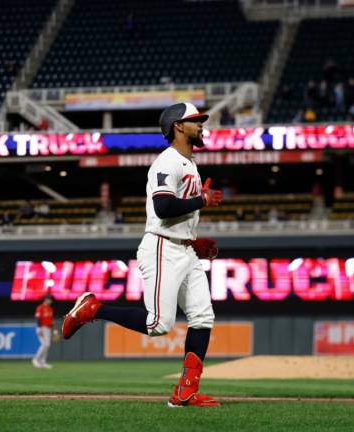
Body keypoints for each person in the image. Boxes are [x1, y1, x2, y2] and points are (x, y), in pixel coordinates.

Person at [61, 102, 223, 408]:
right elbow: (163, 207)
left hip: (181, 248)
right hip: (163, 247)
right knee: (158, 325)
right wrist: (200, 200)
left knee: (203, 316)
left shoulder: (190, 163)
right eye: (195, 121)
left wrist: (193, 239)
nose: (201, 125)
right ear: (178, 126)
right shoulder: (167, 161)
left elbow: (173, 213)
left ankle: (185, 391)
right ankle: (93, 309)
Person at [33, 296, 59, 369]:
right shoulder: (40, 307)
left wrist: (55, 331)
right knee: (45, 344)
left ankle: (43, 362)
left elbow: (51, 321)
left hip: (48, 329)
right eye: (50, 300)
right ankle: (36, 359)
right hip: (42, 328)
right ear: (46, 300)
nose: (51, 301)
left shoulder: (50, 309)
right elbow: (38, 318)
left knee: (47, 345)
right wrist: (38, 328)